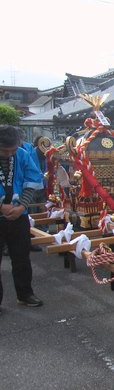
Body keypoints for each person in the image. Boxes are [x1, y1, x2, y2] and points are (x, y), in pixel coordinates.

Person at [0, 125, 44, 310]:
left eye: (13, 150)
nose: (10, 154)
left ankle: (25, 294)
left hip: (19, 214)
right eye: (5, 151)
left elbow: (33, 179)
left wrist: (22, 207)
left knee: (22, 258)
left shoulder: (22, 154)